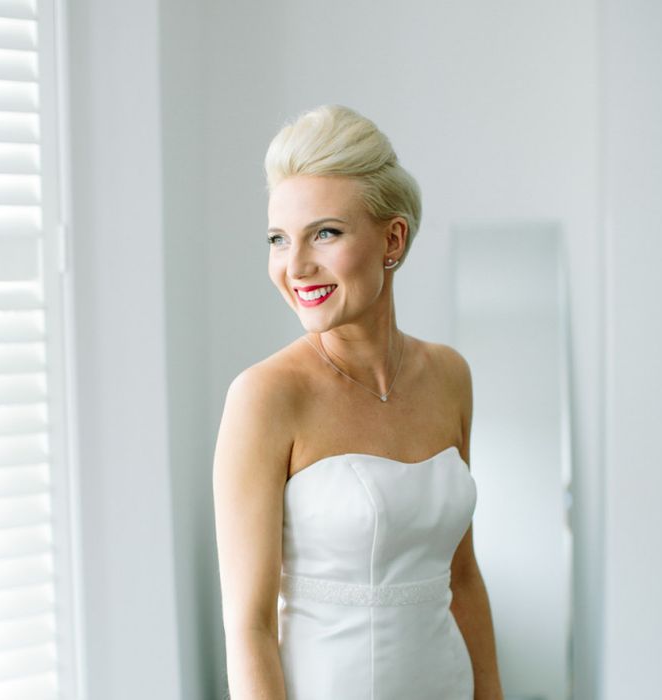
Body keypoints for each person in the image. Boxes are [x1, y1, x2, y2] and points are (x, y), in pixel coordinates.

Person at [213, 105, 503, 700]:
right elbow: (250, 625)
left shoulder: (449, 376)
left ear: (392, 237)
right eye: (277, 240)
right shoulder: (265, 397)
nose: (295, 267)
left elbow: (464, 576)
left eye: (325, 233)